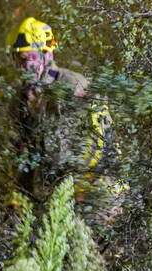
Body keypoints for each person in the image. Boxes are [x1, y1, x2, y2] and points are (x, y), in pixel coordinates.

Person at [7, 17, 118, 208]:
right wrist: (17, 201)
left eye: (28, 58)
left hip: (97, 189)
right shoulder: (20, 101)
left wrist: (81, 189)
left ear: (47, 53)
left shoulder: (73, 86)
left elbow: (98, 142)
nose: (24, 66)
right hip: (59, 195)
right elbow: (25, 156)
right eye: (18, 58)